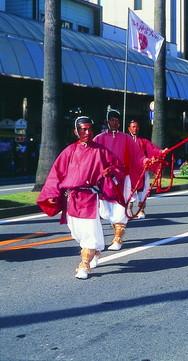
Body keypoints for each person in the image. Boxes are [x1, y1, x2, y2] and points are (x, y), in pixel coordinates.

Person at [37, 116, 123, 279]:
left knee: (89, 231)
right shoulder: (69, 151)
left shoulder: (101, 150)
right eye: (83, 129)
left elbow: (118, 167)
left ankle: (84, 265)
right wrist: (52, 194)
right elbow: (56, 174)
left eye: (90, 128)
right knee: (77, 233)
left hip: (90, 198)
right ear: (75, 131)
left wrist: (110, 172)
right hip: (72, 199)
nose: (87, 132)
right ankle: (96, 250)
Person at [94, 109, 146, 251]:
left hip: (123, 179)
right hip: (105, 180)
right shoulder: (98, 138)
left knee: (120, 208)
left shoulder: (126, 138)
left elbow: (138, 155)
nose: (114, 122)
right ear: (107, 121)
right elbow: (91, 157)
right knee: (106, 211)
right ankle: (117, 232)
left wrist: (147, 160)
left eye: (117, 120)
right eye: (112, 119)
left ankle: (118, 239)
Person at [127, 119, 167, 219]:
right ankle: (128, 211)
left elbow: (153, 149)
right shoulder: (125, 141)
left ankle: (141, 210)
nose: (135, 129)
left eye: (136, 127)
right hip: (129, 172)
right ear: (129, 128)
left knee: (142, 192)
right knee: (129, 192)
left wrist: (161, 152)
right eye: (133, 127)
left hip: (142, 171)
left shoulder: (143, 141)